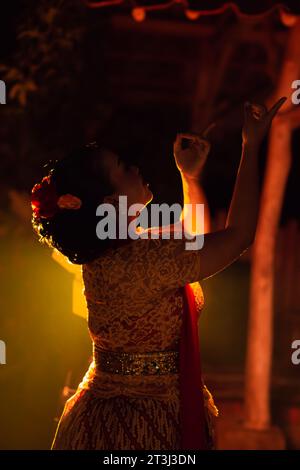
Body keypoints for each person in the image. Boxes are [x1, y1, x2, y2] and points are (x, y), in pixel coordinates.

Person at [31, 97, 286, 450]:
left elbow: (189, 236)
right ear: (109, 203)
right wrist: (251, 145)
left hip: (104, 416)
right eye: (123, 168)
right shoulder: (143, 261)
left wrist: (189, 177)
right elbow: (238, 236)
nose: (135, 168)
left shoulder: (116, 253)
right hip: (141, 427)